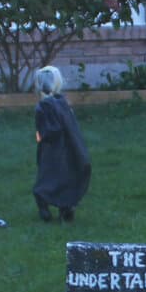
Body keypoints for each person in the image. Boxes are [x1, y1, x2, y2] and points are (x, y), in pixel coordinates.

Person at [31, 65, 91, 222]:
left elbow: (46, 131)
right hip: (70, 147)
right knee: (66, 176)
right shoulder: (63, 103)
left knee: (48, 175)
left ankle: (44, 203)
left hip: (51, 149)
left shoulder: (43, 106)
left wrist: (40, 138)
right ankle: (65, 208)